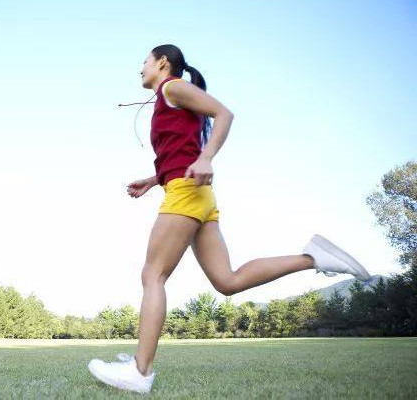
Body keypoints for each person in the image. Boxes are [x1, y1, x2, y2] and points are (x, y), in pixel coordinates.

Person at [87, 44, 371, 394]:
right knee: (227, 281)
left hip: (188, 193)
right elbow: (180, 148)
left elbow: (224, 114)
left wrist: (207, 159)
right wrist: (153, 179)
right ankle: (313, 257)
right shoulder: (169, 97)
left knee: (153, 274)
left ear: (162, 62)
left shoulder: (172, 87)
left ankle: (140, 371)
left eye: (144, 61)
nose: (140, 68)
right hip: (195, 194)